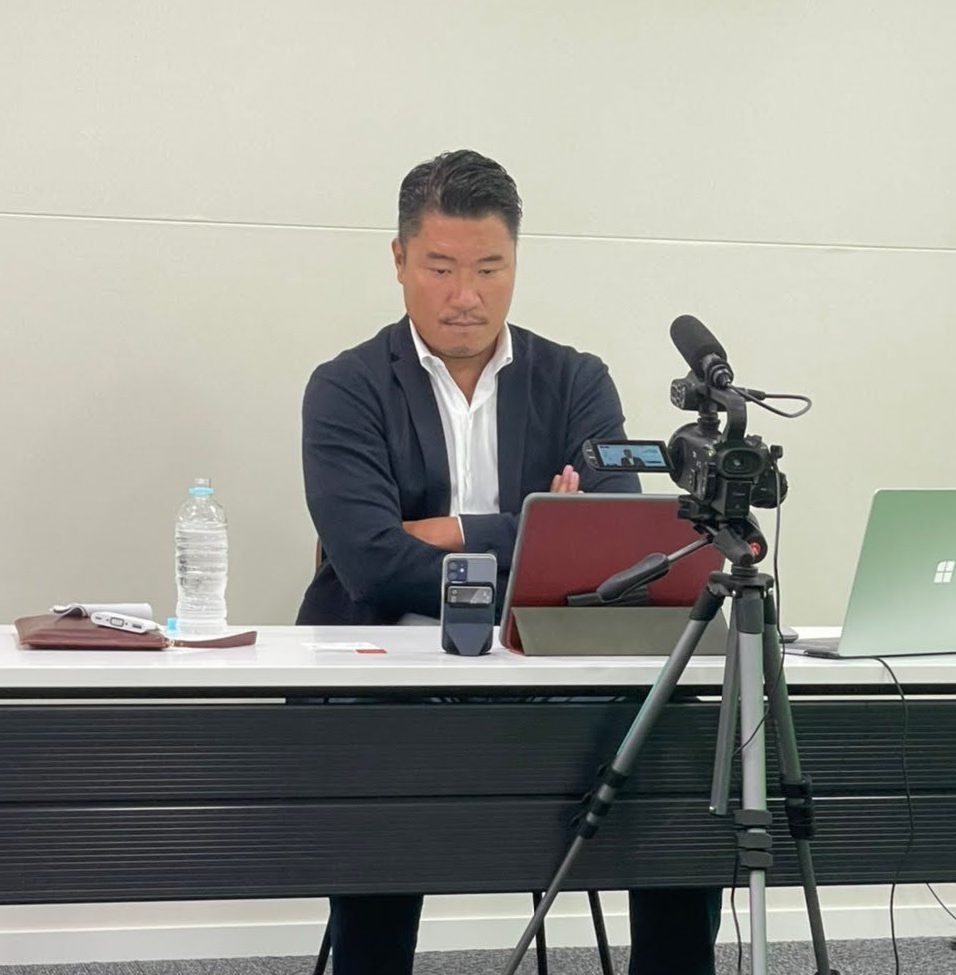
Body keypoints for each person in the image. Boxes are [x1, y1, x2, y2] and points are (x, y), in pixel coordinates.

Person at [297, 149, 722, 974]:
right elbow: (372, 563)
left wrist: (455, 529)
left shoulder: (576, 380)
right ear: (399, 260)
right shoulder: (346, 387)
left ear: (516, 262)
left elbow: (618, 548)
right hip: (388, 669)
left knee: (681, 740)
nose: (466, 294)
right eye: (441, 268)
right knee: (373, 779)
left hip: (546, 666)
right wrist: (534, 532)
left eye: (489, 268)